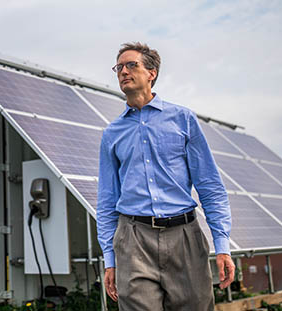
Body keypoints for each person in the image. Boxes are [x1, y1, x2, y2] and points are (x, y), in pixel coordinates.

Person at [97, 42, 235, 310]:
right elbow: (106, 200)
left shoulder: (183, 119)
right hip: (133, 240)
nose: (123, 71)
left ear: (152, 72)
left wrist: (222, 245)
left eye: (131, 65)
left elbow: (209, 185)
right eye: (119, 67)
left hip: (184, 237)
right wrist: (110, 259)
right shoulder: (111, 134)